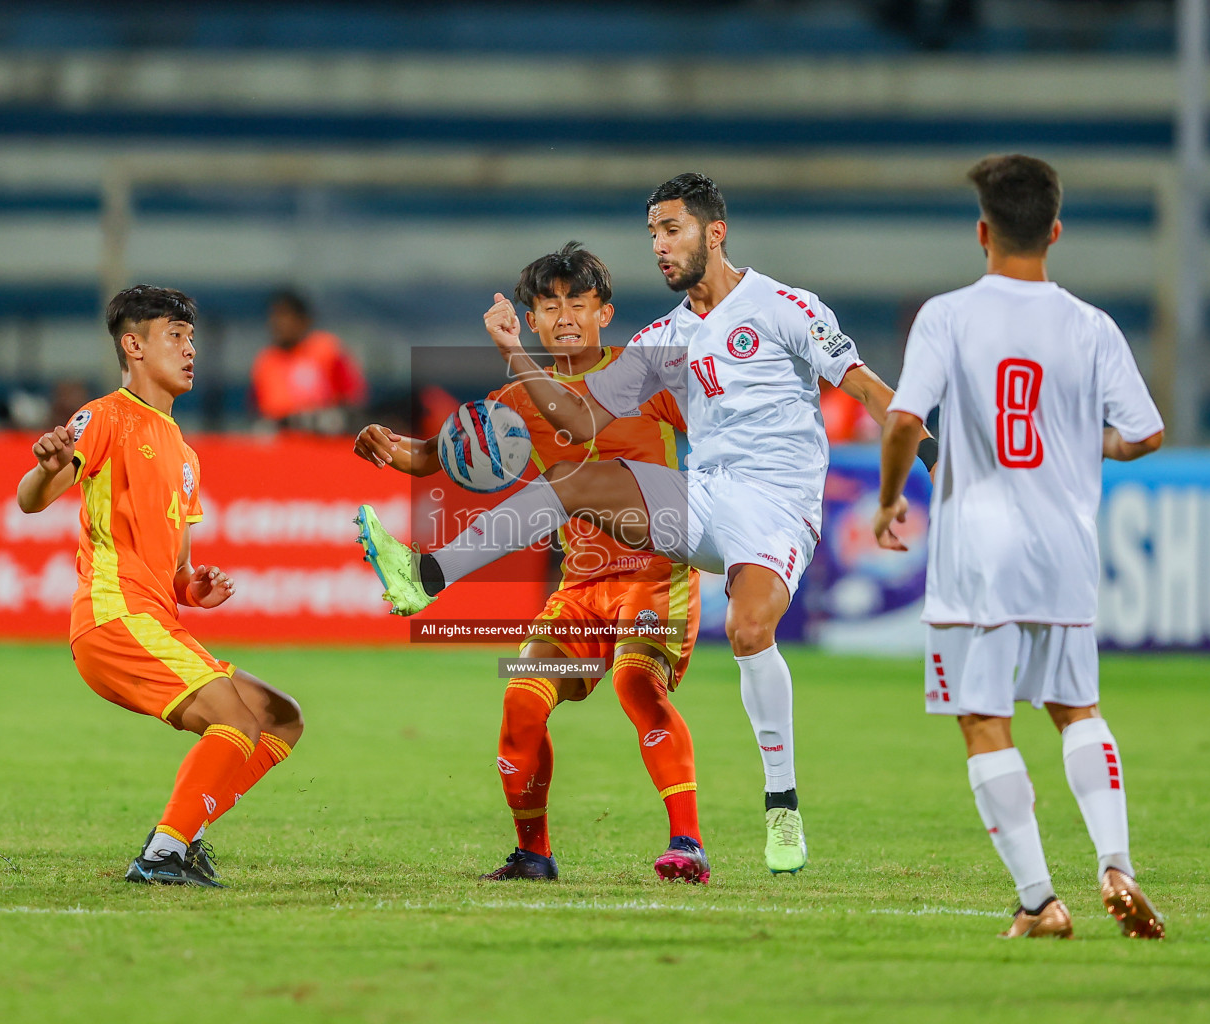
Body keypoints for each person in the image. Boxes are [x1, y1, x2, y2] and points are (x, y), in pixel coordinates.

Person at [357, 174, 932, 874]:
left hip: (779, 507)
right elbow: (578, 419)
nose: (660, 246)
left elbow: (872, 392)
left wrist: (925, 471)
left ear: (714, 233)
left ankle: (780, 804)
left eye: (673, 230)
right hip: (706, 497)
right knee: (572, 483)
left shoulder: (786, 307)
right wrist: (511, 350)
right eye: (653, 233)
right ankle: (428, 575)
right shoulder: (662, 340)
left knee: (750, 631)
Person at [874, 154, 1166, 939]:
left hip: (978, 549)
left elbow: (904, 421)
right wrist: (1081, 444)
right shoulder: (1090, 325)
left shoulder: (949, 315)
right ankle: (1117, 863)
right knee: (1077, 709)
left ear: (983, 232)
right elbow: (1146, 433)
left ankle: (1040, 902)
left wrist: (892, 496)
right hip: (1064, 548)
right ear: (1056, 231)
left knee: (982, 720)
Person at [354, 243, 709, 883]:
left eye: (579, 301)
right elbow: (437, 455)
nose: (565, 315)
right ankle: (532, 853)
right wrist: (386, 445)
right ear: (532, 320)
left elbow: (721, 431)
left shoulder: (646, 375)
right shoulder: (517, 401)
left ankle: (687, 842)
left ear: (605, 312)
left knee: (636, 684)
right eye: (550, 304)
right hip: (580, 589)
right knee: (522, 698)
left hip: (655, 580)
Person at [17, 285, 305, 888]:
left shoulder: (185, 453)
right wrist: (44, 471)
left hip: (154, 618)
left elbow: (177, 572)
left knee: (279, 718)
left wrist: (194, 588)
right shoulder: (105, 417)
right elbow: (31, 500)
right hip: (113, 616)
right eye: (175, 335)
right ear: (134, 345)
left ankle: (181, 839)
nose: (190, 348)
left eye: (192, 338)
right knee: (235, 720)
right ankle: (164, 854)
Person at [250, 288, 367, 432]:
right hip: (281, 442)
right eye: (275, 316)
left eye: (285, 316)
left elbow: (353, 400)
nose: (278, 323)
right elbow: (258, 411)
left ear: (303, 320)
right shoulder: (266, 361)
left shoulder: (327, 350)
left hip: (323, 439)